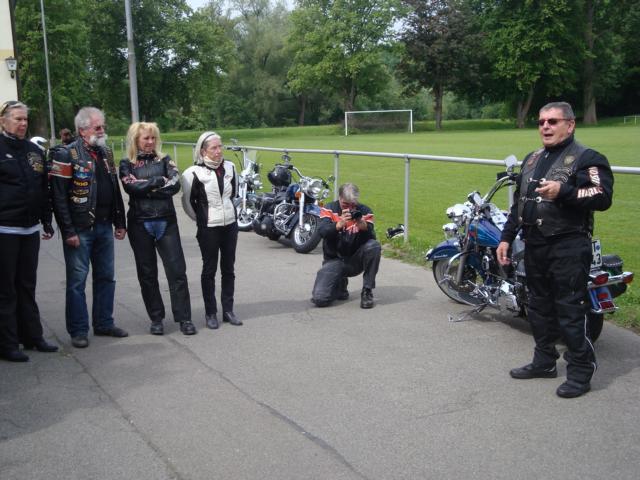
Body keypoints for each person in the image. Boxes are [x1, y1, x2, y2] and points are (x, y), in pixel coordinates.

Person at [497, 101, 614, 399]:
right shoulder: (532, 158)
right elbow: (520, 203)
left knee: (570, 310)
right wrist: (506, 238)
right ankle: (544, 361)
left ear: (570, 125)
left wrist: (564, 191)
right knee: (537, 307)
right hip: (534, 245)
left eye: (552, 121)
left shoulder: (588, 158)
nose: (545, 127)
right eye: (541, 122)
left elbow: (602, 195)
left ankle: (580, 372)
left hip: (569, 246)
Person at [51, 107, 128, 348]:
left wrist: (120, 221)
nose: (102, 130)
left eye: (102, 126)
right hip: (80, 228)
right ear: (82, 130)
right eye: (98, 127)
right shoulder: (66, 154)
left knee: (106, 277)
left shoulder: (105, 152)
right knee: (77, 282)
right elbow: (58, 197)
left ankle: (104, 322)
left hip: (104, 225)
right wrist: (68, 231)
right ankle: (78, 330)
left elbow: (114, 188)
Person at [119, 122, 195, 336]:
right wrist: (157, 181)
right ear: (136, 140)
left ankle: (184, 318)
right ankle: (156, 318)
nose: (150, 142)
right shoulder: (126, 164)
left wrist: (146, 186)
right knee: (147, 274)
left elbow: (174, 184)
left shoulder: (166, 160)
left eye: (153, 138)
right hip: (140, 223)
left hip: (166, 222)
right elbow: (130, 187)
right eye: (146, 138)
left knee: (177, 271)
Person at [0, 101, 57, 362]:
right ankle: (7, 343)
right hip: (5, 229)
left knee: (27, 285)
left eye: (25, 119)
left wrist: (47, 220)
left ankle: (33, 336)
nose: (23, 123)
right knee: (6, 289)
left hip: (29, 228)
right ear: (3, 121)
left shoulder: (34, 151)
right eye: (17, 119)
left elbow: (43, 189)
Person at [181, 131, 241, 329]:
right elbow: (188, 203)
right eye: (214, 148)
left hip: (230, 225)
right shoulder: (192, 173)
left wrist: (229, 214)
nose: (218, 151)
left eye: (220, 146)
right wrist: (201, 219)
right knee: (209, 270)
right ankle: (210, 312)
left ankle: (228, 310)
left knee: (228, 269)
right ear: (203, 151)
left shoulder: (231, 167)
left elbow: (233, 194)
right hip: (208, 228)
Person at [311, 183, 381, 309]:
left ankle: (367, 291)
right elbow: (322, 232)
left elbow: (371, 239)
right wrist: (338, 224)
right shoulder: (329, 209)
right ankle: (340, 283)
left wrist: (364, 227)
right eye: (345, 204)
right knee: (320, 299)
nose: (349, 208)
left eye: (353, 205)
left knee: (374, 246)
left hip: (355, 260)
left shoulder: (364, 211)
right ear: (339, 198)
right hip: (334, 260)